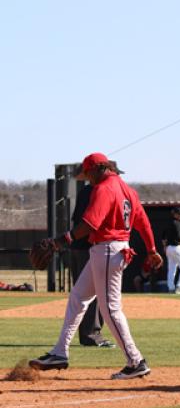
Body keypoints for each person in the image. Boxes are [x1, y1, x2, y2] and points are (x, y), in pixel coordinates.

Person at [29, 152, 163, 379]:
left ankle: (136, 360)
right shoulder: (128, 191)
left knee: (110, 309)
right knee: (78, 298)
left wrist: (60, 242)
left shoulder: (103, 189)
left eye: (88, 173)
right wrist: (151, 249)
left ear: (98, 169)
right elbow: (143, 222)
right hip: (111, 249)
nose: (87, 179)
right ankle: (60, 352)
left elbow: (90, 224)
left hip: (108, 249)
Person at [70, 175, 114, 348]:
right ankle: (91, 334)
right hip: (86, 248)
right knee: (91, 294)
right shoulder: (96, 191)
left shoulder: (88, 191)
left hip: (83, 247)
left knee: (94, 294)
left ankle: (93, 333)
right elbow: (89, 223)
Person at [162, 207, 180, 294]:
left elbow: (163, 237)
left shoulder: (168, 223)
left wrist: (165, 247)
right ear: (174, 214)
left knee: (171, 269)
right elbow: (179, 237)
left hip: (169, 248)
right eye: (179, 214)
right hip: (177, 247)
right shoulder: (177, 223)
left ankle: (171, 288)